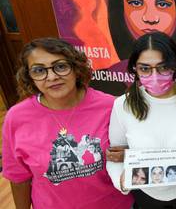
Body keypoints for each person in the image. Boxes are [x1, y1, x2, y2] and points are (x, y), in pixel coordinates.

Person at [1, 38, 133, 209]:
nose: (52, 77)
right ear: (29, 77)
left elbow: (137, 153)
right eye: (39, 70)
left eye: (61, 66)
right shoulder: (17, 117)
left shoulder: (111, 106)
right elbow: (19, 178)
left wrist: (130, 154)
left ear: (76, 68)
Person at [106, 32, 176, 208]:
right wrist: (121, 181)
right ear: (134, 68)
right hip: (147, 196)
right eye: (145, 68)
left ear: (175, 66)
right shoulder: (123, 105)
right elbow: (115, 154)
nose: (155, 76)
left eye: (163, 67)